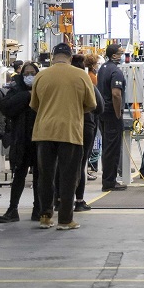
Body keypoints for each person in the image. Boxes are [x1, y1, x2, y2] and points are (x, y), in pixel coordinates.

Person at [30, 43, 97, 230]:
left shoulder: (41, 75)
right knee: (69, 176)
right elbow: (92, 104)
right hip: (70, 131)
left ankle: (45, 217)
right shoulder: (81, 75)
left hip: (44, 131)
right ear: (70, 57)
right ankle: (65, 220)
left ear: (53, 57)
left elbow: (34, 104)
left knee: (45, 176)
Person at [0, 62, 41, 223]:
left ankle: (39, 209)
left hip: (39, 139)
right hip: (21, 139)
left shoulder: (43, 89)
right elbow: (5, 107)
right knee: (19, 174)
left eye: (33, 73)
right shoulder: (16, 90)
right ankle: (12, 209)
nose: (29, 76)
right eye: (26, 73)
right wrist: (27, 95)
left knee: (39, 176)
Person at [96, 44, 127, 191]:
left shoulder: (103, 68)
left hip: (102, 113)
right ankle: (109, 182)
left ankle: (108, 180)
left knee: (107, 147)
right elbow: (116, 94)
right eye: (120, 53)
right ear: (114, 55)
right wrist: (118, 113)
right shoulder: (116, 71)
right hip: (111, 114)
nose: (122, 56)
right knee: (112, 149)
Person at [75, 56, 104, 211]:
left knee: (61, 164)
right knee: (80, 164)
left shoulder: (54, 81)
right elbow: (99, 106)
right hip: (85, 126)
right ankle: (79, 201)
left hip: (61, 127)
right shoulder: (87, 81)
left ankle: (58, 200)